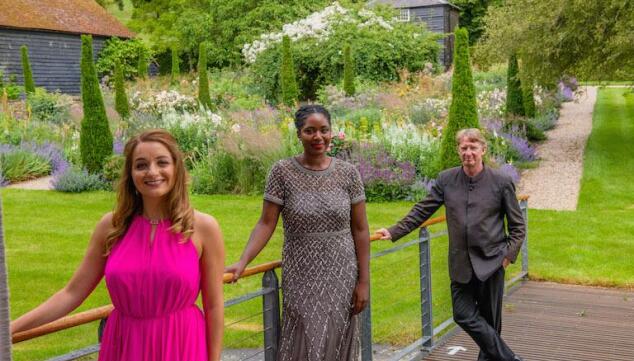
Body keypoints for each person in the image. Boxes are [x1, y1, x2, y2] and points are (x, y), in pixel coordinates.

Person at [10, 129, 225, 361]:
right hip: (125, 345)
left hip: (181, 344)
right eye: (141, 165)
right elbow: (71, 293)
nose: (152, 172)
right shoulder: (112, 227)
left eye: (162, 162)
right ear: (131, 174)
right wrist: (9, 329)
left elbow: (213, 306)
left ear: (176, 168)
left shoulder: (203, 228)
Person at [226, 104, 370, 360]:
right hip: (301, 273)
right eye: (310, 131)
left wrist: (364, 282)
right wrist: (243, 261)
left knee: (338, 335)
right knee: (305, 336)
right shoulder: (282, 172)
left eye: (324, 130)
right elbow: (266, 223)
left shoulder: (348, 174)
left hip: (341, 272)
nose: (318, 137)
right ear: (298, 134)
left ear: (331, 132)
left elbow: (360, 229)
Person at [376, 128, 525, 361]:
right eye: (464, 148)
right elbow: (422, 210)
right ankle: (510, 359)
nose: (468, 153)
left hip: (492, 263)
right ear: (458, 150)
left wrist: (507, 256)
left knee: (489, 325)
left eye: (473, 147)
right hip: (460, 265)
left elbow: (518, 226)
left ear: (483, 150)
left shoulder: (501, 182)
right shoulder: (447, 179)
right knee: (463, 315)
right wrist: (394, 230)